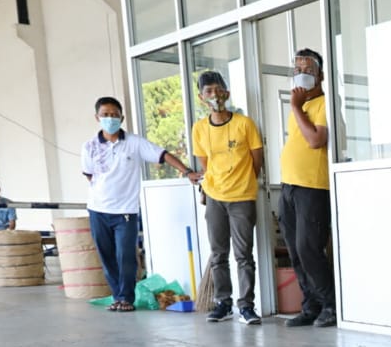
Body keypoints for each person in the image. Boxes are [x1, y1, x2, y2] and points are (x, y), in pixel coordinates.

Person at [81, 96, 200, 312]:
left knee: (125, 256)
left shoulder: (134, 143)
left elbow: (162, 155)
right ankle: (117, 296)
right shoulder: (88, 146)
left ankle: (126, 298)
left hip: (125, 211)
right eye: (105, 115)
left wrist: (187, 171)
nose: (110, 118)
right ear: (97, 117)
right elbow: (89, 175)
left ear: (122, 117)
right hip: (98, 210)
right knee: (106, 257)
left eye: (114, 115)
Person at [192, 71, 265, 326]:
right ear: (201, 98)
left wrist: (244, 181)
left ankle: (246, 305)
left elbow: (257, 160)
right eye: (208, 92)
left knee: (243, 254)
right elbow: (206, 163)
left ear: (227, 93)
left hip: (242, 197)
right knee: (218, 253)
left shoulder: (244, 124)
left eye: (217, 90)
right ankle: (223, 302)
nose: (214, 96)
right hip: (214, 197)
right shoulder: (200, 128)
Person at [278, 48, 335, 328]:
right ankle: (310, 305)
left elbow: (315, 140)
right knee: (295, 250)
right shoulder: (298, 105)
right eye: (297, 70)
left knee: (309, 247)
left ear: (321, 75)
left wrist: (296, 108)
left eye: (308, 70)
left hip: (312, 186)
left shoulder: (325, 103)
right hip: (289, 185)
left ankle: (330, 305)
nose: (301, 75)